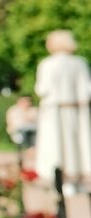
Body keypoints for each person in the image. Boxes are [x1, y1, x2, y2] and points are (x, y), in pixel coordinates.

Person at [34, 29, 91, 194]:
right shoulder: (79, 63)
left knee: (57, 146)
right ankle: (76, 181)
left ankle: (62, 182)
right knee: (77, 145)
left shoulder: (47, 64)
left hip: (55, 112)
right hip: (77, 111)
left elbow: (42, 89)